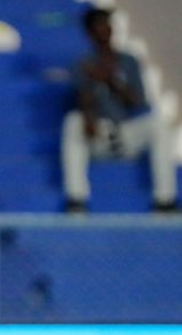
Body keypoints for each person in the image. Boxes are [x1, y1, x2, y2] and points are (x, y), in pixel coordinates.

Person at [61, 6, 178, 213]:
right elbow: (80, 100)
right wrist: (88, 114)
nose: (105, 31)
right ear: (89, 33)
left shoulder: (128, 61)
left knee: (158, 124)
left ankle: (165, 200)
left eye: (108, 26)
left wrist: (111, 79)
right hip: (99, 135)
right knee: (73, 122)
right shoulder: (83, 65)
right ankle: (76, 199)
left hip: (126, 132)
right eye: (99, 27)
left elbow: (138, 102)